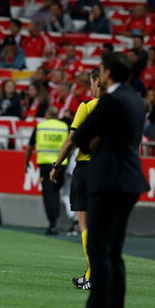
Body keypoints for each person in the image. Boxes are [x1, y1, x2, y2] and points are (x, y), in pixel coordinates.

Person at [59, 52, 149, 308]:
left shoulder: (109, 100)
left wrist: (95, 140)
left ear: (108, 73)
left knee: (98, 248)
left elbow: (81, 137)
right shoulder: (137, 100)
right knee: (114, 252)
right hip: (131, 180)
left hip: (108, 179)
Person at [51, 68, 102, 290]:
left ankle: (95, 274)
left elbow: (71, 141)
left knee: (84, 223)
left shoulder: (88, 107)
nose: (90, 87)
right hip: (109, 170)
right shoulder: (120, 108)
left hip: (87, 168)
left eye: (91, 82)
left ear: (97, 81)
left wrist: (56, 165)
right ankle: (90, 274)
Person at [24, 106, 68, 235]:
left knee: (49, 195)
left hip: (45, 166)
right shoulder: (64, 127)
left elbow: (30, 146)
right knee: (56, 192)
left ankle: (52, 224)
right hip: (60, 165)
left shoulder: (40, 126)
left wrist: (26, 162)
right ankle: (55, 222)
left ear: (47, 114)